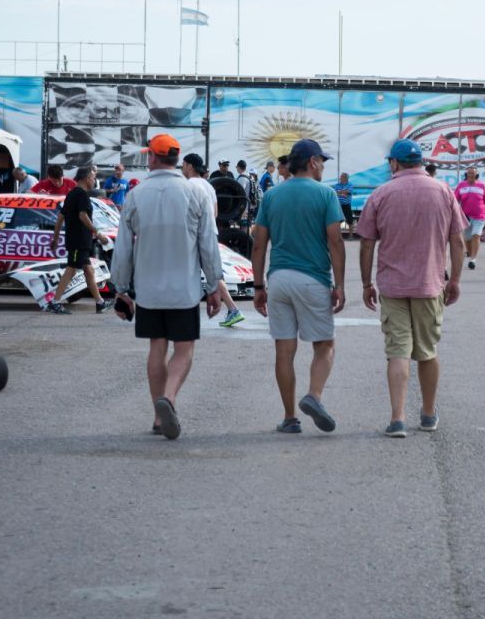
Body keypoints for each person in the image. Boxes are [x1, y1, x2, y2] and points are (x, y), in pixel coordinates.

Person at [111, 135, 223, 440]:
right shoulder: (194, 193)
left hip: (148, 290)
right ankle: (170, 398)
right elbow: (208, 245)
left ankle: (158, 417)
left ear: (153, 158)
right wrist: (213, 285)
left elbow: (123, 248)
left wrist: (121, 288)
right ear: (177, 159)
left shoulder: (136, 195)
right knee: (184, 350)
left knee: (156, 348)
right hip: (184, 289)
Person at [358, 139, 466, 438]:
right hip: (430, 284)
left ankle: (398, 419)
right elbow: (457, 240)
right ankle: (429, 414)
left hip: (392, 286)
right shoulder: (443, 191)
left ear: (394, 163)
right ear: (420, 162)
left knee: (398, 352)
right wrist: (455, 279)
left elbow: (367, 242)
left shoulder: (381, 194)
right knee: (428, 352)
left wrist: (367, 282)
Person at [252, 139, 347, 435]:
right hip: (312, 279)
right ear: (313, 161)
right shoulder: (326, 194)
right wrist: (340, 285)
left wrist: (258, 286)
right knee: (325, 345)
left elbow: (258, 243)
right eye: (323, 161)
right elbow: (335, 241)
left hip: (278, 279)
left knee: (284, 350)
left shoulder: (272, 196)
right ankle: (314, 396)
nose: (324, 167)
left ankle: (290, 418)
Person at [182, 153, 246, 328]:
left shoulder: (187, 185)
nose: (182, 168)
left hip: (196, 235)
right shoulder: (208, 186)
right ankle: (232, 309)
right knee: (214, 273)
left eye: (183, 164)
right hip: (211, 232)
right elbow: (216, 213)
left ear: (189, 166)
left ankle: (185, 313)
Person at [44, 165, 111, 315]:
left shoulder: (71, 194)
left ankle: (100, 303)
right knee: (71, 270)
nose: (94, 181)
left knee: (88, 270)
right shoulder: (82, 195)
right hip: (78, 240)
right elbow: (82, 215)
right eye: (93, 178)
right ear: (87, 179)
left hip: (79, 241)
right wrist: (98, 234)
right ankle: (55, 303)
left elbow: (60, 218)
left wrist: (55, 238)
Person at [454, 165, 485, 270]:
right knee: (467, 238)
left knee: (476, 235)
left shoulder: (482, 186)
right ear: (466, 174)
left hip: (480, 215)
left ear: (476, 175)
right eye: (469, 173)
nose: (471, 175)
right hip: (465, 216)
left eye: (473, 173)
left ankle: (473, 259)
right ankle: (470, 254)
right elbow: (455, 200)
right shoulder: (461, 186)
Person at [333, 172, 355, 240]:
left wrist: (340, 192)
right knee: (338, 221)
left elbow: (349, 192)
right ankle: (338, 237)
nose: (340, 178)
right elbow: (335, 192)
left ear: (346, 178)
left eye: (341, 177)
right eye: (340, 177)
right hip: (339, 205)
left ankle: (351, 236)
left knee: (350, 221)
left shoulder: (350, 184)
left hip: (347, 205)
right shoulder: (337, 185)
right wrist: (343, 192)